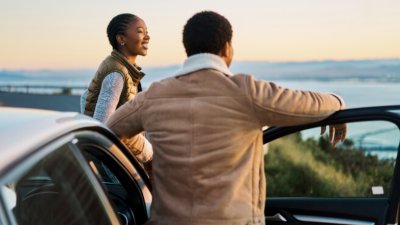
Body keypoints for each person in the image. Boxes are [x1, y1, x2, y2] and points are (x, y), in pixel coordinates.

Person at [106, 11, 346, 225]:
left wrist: (149, 158)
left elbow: (109, 130)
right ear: (227, 48)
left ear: (188, 49)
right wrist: (337, 103)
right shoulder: (247, 92)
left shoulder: (154, 96)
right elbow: (308, 104)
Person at [81, 13, 152, 163]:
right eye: (140, 31)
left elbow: (85, 97)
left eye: (147, 32)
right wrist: (147, 151)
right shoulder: (116, 74)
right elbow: (104, 126)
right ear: (121, 39)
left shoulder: (118, 66)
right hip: (116, 164)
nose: (147, 37)